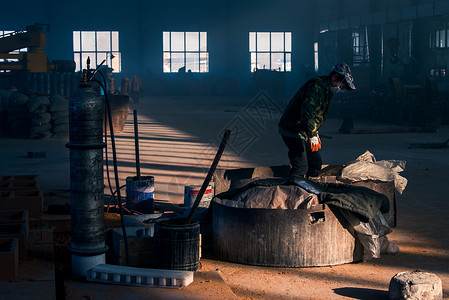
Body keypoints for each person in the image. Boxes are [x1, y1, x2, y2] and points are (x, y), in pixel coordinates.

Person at [278, 62, 356, 178]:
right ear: (334, 77)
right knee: (301, 167)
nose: (341, 89)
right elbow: (308, 113)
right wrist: (312, 134)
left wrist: (315, 132)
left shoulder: (326, 89)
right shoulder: (316, 86)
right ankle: (292, 191)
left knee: (315, 163)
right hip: (292, 129)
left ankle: (309, 188)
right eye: (342, 85)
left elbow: (316, 114)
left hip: (304, 130)